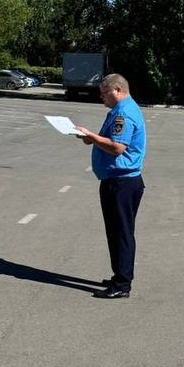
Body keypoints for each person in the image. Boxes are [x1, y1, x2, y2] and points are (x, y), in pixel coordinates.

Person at [74, 73, 147, 299]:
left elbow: (117, 148)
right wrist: (92, 138)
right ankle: (119, 275)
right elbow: (110, 142)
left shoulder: (123, 114)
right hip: (117, 180)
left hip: (122, 182)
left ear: (117, 90)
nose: (101, 98)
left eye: (104, 93)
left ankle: (123, 284)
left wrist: (91, 136)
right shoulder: (120, 110)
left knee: (121, 233)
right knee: (115, 232)